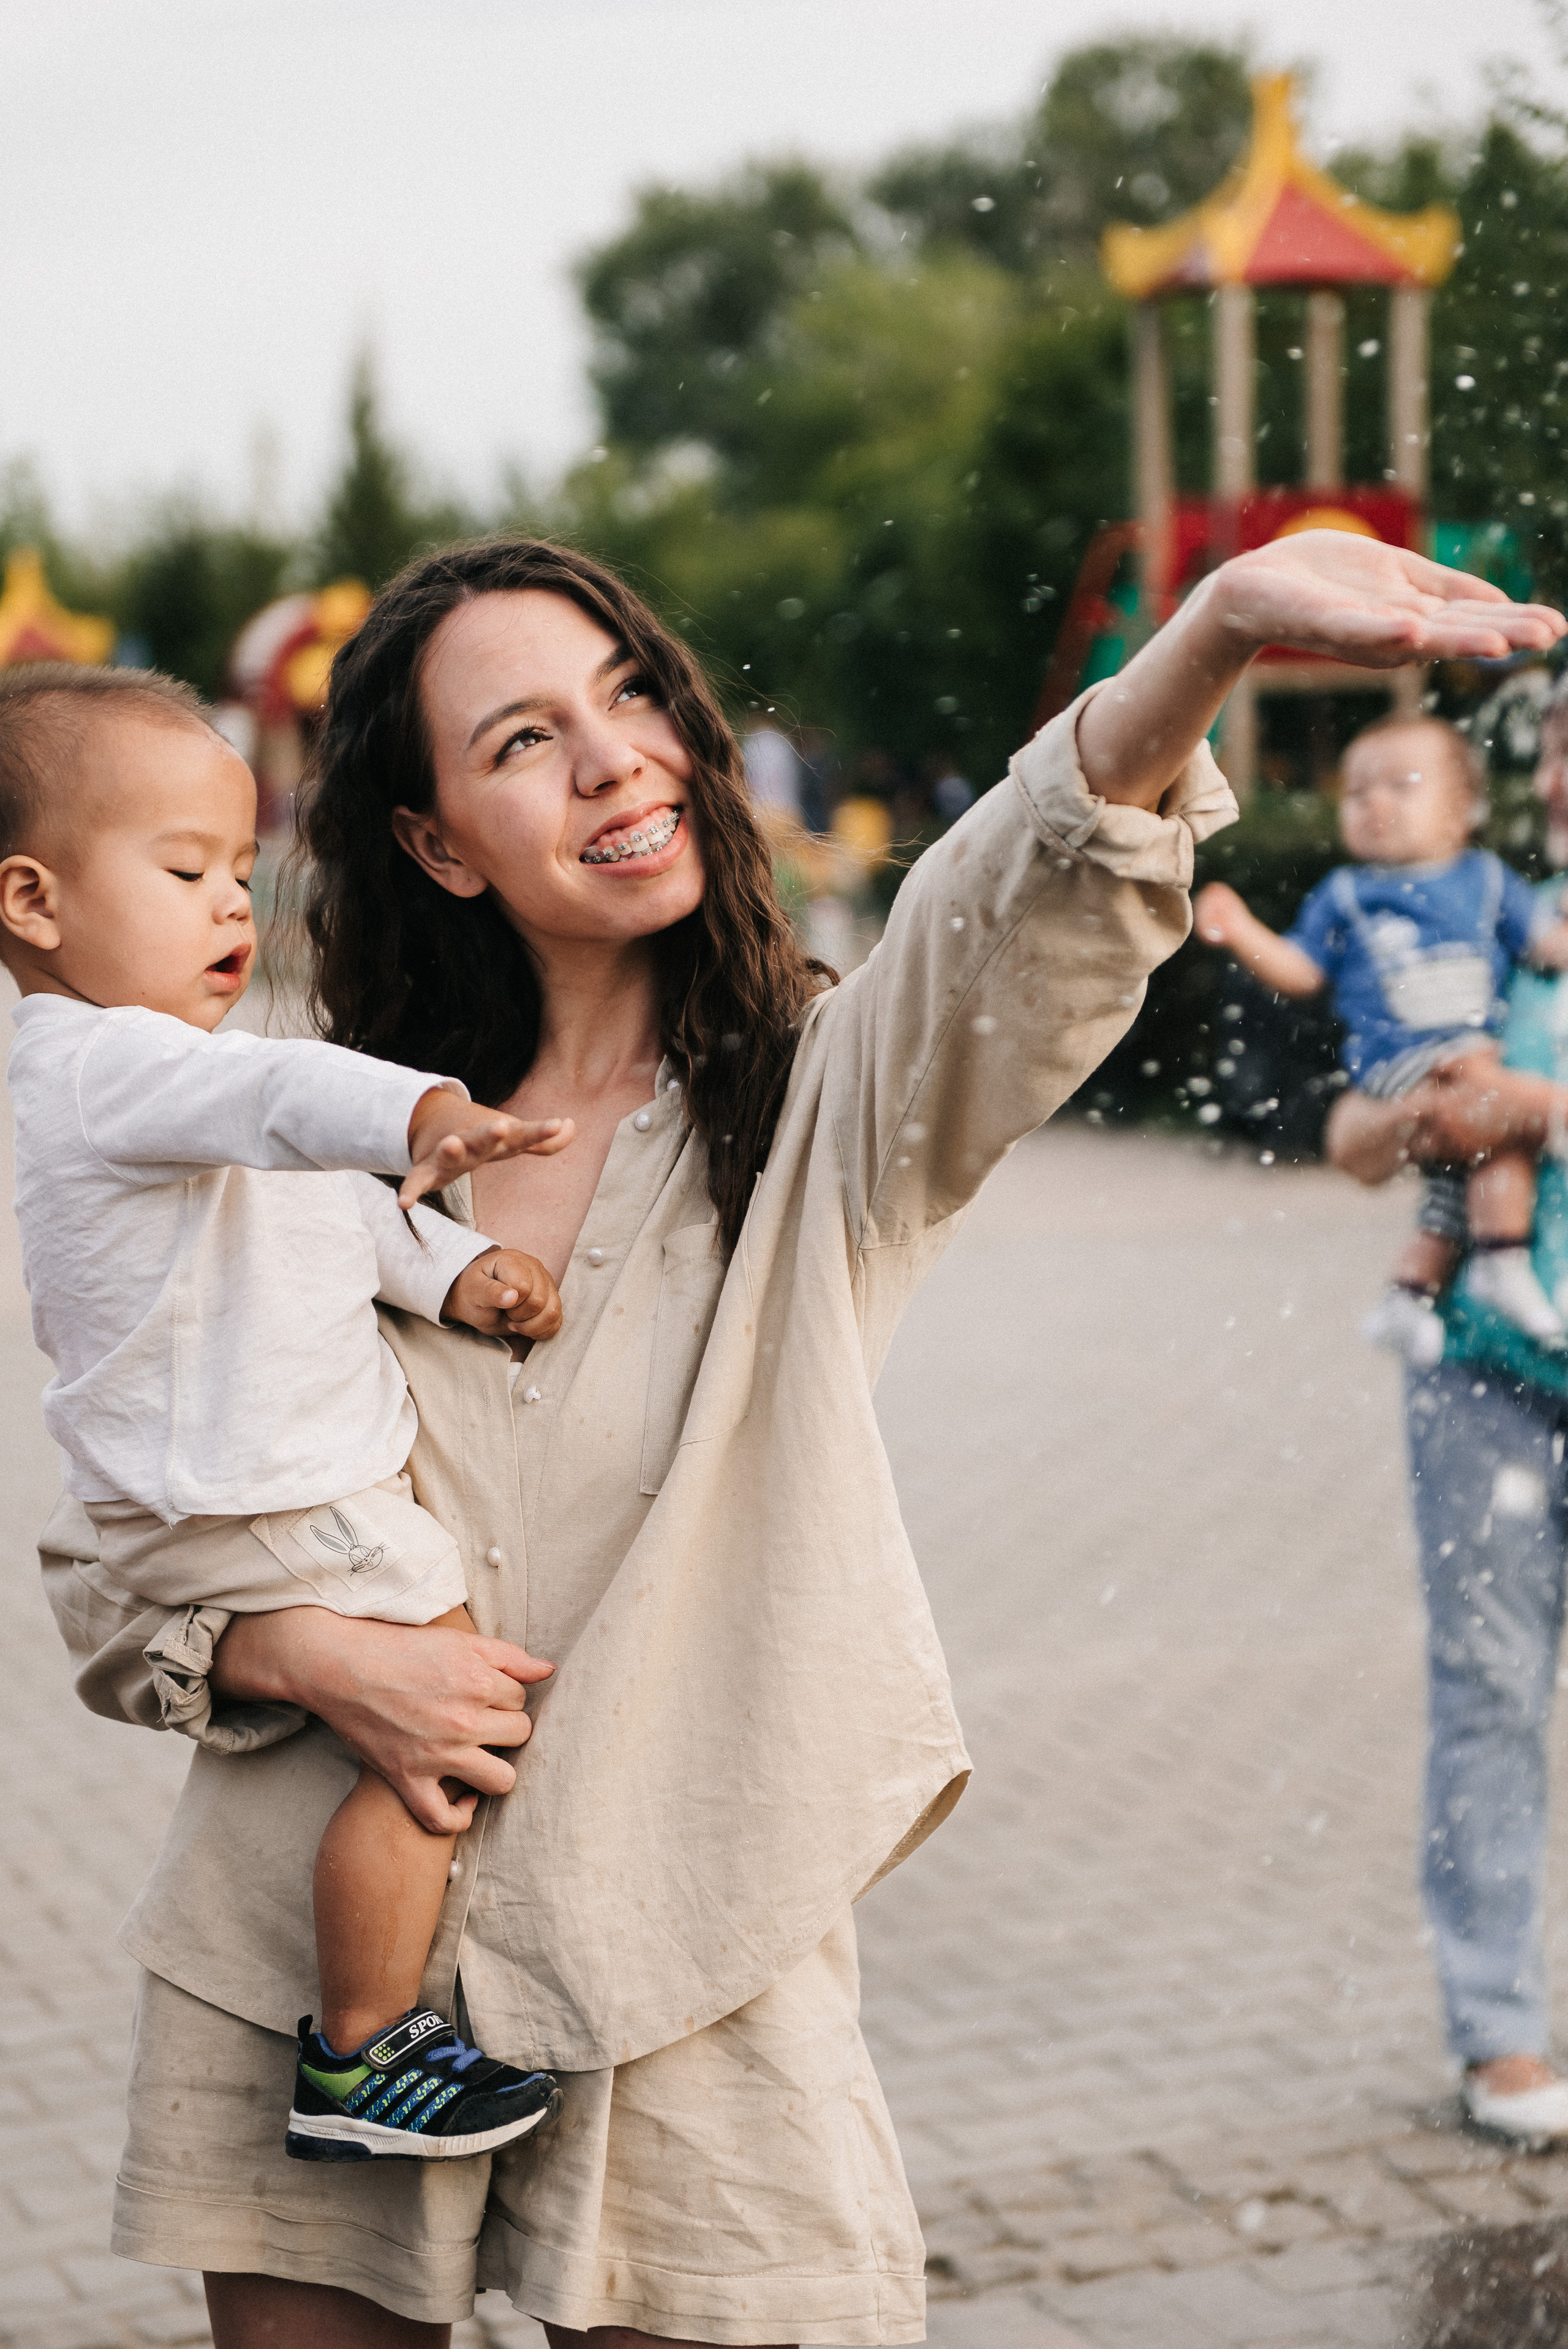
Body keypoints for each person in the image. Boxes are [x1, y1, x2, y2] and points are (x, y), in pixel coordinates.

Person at [42, 533, 1557, 2345]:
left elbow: (1011, 908)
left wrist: (1211, 633)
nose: (612, 758)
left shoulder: (821, 1103)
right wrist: (305, 1651)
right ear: (437, 842)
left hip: (688, 1942)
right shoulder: (310, 1141)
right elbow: (112, 1546)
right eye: (521, 741)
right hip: (304, 1965)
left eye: (628, 698)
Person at [0, 664, 572, 2161]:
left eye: (243, 871)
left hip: (233, 1493)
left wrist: (456, 1274)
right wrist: (425, 1114)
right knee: (451, 1707)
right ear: (33, 901)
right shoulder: (97, 1061)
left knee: (436, 1709)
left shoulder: (168, 1088)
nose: (232, 906)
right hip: (249, 1499)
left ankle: (367, 2030)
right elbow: (285, 1101)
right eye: (184, 869)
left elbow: (330, 1210)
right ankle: (362, 2044)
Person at [1328, 670, 1568, 2146]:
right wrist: (1412, 1115)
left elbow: (1523, 1107)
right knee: (1485, 1698)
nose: (1560, 775)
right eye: (1555, 746)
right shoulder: (1474, 911)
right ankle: (1496, 2032)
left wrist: (1526, 1111)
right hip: (1483, 1377)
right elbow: (1351, 1130)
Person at [1197, 715, 1568, 1360]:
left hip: (1466, 1069)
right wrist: (1244, 932)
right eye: (1358, 791)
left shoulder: (1483, 879)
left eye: (1401, 786)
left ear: (1461, 812)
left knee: (1482, 1162)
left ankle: (1429, 1285)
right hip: (1405, 1065)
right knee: (1519, 1108)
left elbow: (1546, 942)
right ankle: (1490, 1267)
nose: (1374, 803)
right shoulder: (1347, 894)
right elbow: (1302, 971)